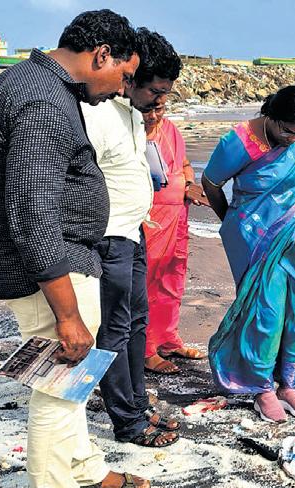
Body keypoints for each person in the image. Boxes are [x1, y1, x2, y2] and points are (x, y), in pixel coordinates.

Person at [0, 9, 147, 488]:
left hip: (67, 260)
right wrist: (68, 314)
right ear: (101, 54)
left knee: (76, 381)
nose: (123, 88)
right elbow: (32, 216)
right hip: (50, 270)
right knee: (58, 388)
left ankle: (86, 470)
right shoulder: (43, 102)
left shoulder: (36, 84)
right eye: (123, 75)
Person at [81, 28, 182, 447]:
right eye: (156, 91)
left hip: (133, 231)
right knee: (115, 329)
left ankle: (137, 403)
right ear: (132, 77)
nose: (161, 101)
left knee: (137, 323)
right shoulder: (98, 114)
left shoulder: (132, 115)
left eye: (166, 94)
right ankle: (127, 421)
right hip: (109, 238)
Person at [201, 85, 295, 423]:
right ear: (270, 116)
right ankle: (261, 387)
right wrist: (231, 220)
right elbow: (211, 183)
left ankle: (288, 382)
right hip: (255, 237)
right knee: (265, 311)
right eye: (286, 130)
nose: (292, 140)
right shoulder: (238, 143)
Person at [141, 101, 209, 375]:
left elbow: (185, 165)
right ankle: (147, 350)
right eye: (149, 108)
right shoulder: (131, 131)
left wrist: (190, 184)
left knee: (174, 278)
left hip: (179, 213)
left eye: (160, 107)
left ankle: (168, 339)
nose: (155, 115)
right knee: (149, 279)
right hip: (152, 216)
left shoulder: (169, 129)